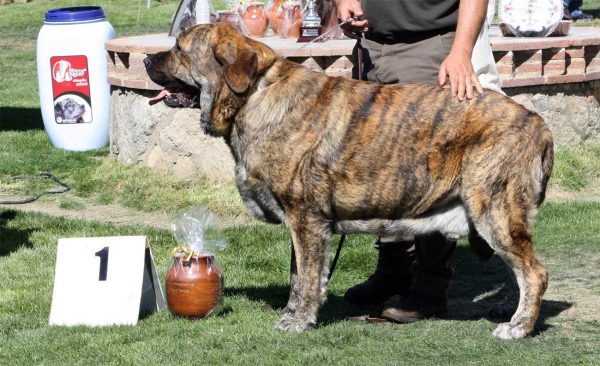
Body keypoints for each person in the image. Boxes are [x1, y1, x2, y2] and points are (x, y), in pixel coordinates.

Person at [334, 0, 503, 323]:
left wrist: (461, 51)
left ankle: (430, 289)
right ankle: (394, 270)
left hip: (429, 46)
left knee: (430, 174)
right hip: (371, 46)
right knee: (382, 169)